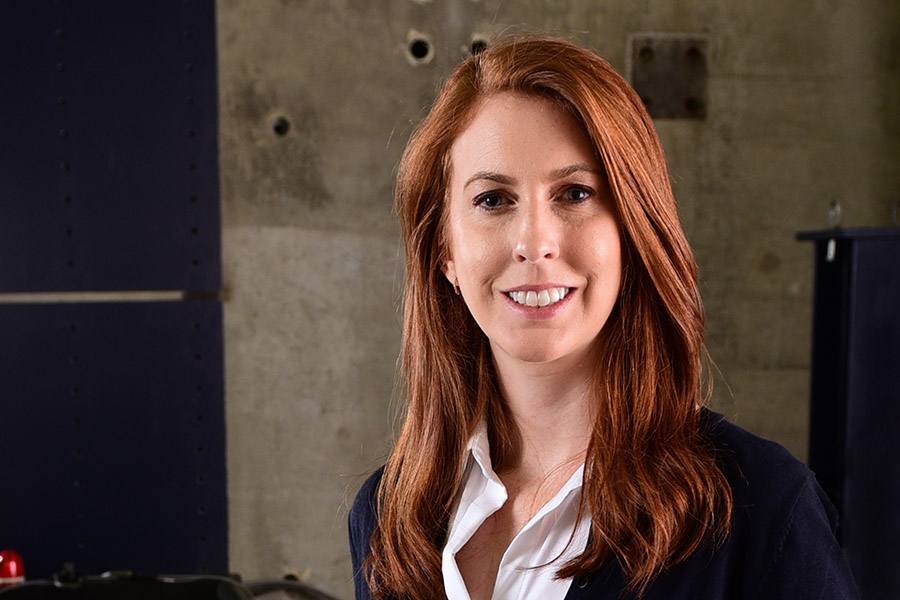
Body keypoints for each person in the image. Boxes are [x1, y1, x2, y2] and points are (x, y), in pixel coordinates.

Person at [348, 34, 859, 600]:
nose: (534, 243)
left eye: (574, 193)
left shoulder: (760, 508)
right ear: (444, 249)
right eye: (493, 199)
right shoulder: (387, 516)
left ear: (631, 232)